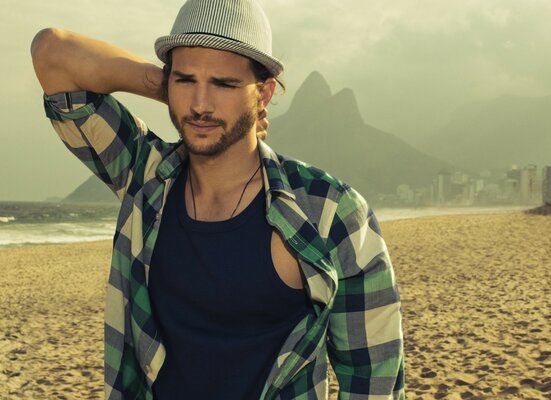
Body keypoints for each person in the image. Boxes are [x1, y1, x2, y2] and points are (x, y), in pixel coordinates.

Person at [31, 0, 404, 399]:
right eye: (186, 80)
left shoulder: (330, 211)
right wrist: (170, 87)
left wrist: (189, 82)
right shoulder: (145, 177)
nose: (200, 105)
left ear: (264, 93)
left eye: (225, 84)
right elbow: (53, 53)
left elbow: (372, 378)